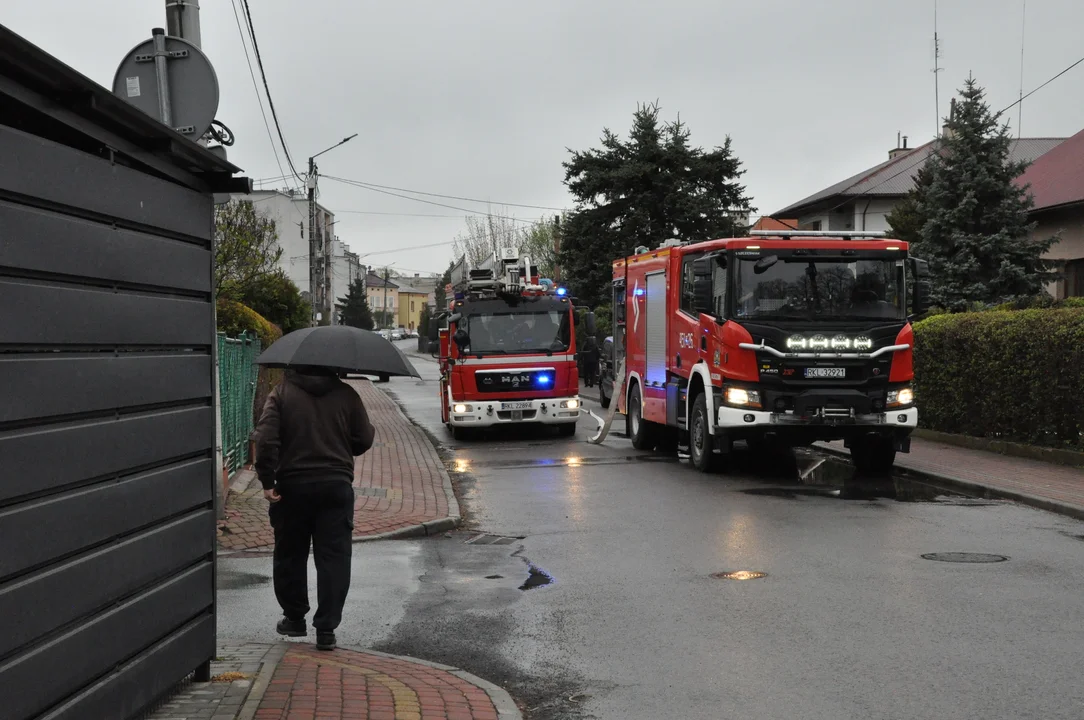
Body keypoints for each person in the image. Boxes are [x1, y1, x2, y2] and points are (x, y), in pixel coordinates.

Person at [254, 366, 375, 651]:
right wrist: (339, 442)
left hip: (292, 487)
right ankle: (326, 629)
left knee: (290, 553)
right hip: (336, 485)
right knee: (334, 558)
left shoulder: (281, 394)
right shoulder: (347, 395)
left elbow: (265, 439)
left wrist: (267, 480)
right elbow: (364, 439)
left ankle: (295, 618)